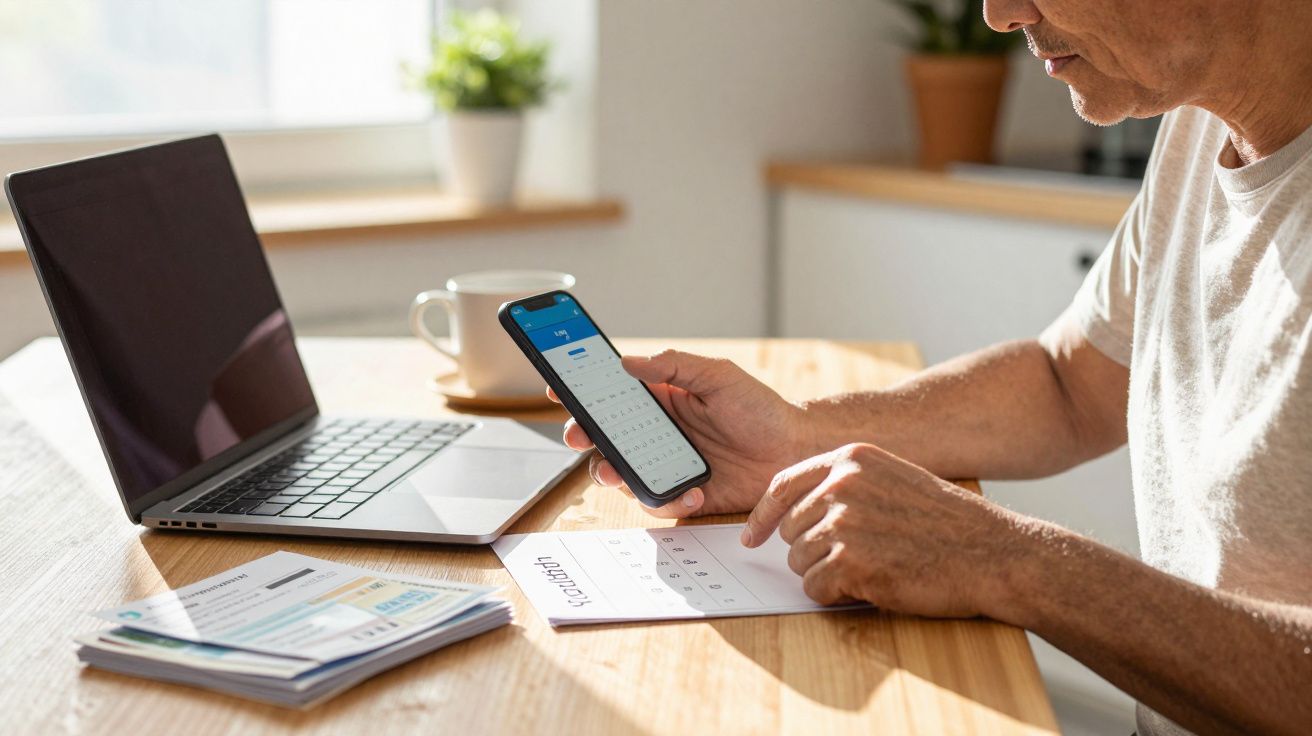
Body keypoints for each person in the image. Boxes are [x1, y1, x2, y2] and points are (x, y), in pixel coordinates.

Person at [549, 1, 1312, 733]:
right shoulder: (1193, 129)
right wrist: (794, 438)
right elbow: (1069, 383)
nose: (999, 13)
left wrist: (1005, 561)